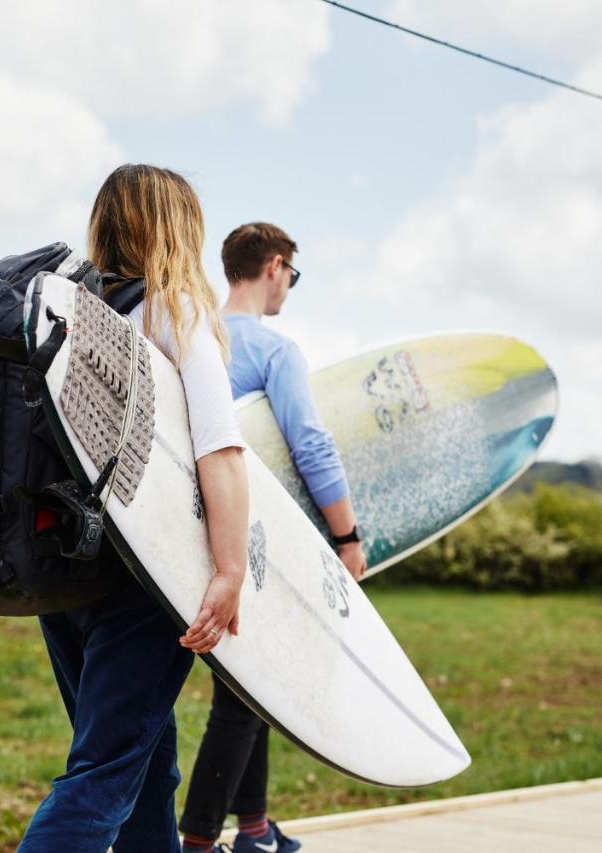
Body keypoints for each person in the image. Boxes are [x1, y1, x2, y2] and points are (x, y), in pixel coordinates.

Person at [0, 164, 251, 853]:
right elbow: (220, 451)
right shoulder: (175, 313)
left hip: (63, 580)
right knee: (103, 775)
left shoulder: (63, 311)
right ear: (178, 229)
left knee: (144, 763)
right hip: (141, 582)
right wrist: (229, 568)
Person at [179, 223, 367, 853]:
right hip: (256, 545)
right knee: (244, 696)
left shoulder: (197, 335)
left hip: (187, 535)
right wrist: (347, 534)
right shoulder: (274, 351)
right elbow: (310, 445)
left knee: (253, 684)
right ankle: (202, 840)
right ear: (276, 267)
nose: (289, 285)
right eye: (292, 275)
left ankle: (254, 830)